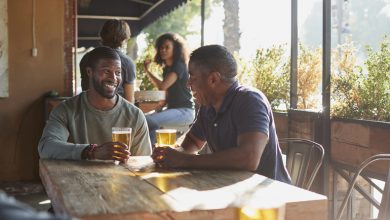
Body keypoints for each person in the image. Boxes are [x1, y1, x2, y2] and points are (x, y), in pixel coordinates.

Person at [151, 45, 291, 183]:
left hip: (270, 197)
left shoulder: (250, 100)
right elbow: (193, 142)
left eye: (192, 78)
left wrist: (185, 160)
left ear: (213, 79)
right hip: (231, 188)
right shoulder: (208, 106)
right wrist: (171, 153)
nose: (188, 84)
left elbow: (249, 157)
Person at [38, 46, 152, 162]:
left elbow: (142, 162)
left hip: (121, 180)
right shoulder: (66, 110)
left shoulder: (135, 115)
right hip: (75, 179)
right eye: (106, 71)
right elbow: (46, 147)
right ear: (89, 72)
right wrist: (92, 151)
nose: (113, 78)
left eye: (118, 72)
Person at [143, 33, 195, 144]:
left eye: (167, 47)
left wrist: (147, 71)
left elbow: (162, 86)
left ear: (175, 49)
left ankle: (151, 150)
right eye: (161, 47)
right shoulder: (168, 69)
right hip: (173, 110)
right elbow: (165, 93)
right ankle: (154, 149)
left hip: (185, 112)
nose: (163, 50)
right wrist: (158, 109)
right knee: (141, 119)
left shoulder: (179, 66)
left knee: (147, 121)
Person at [100, 19, 136, 103]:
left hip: (88, 113)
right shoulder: (127, 63)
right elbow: (129, 101)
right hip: (116, 113)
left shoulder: (87, 58)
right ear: (124, 38)